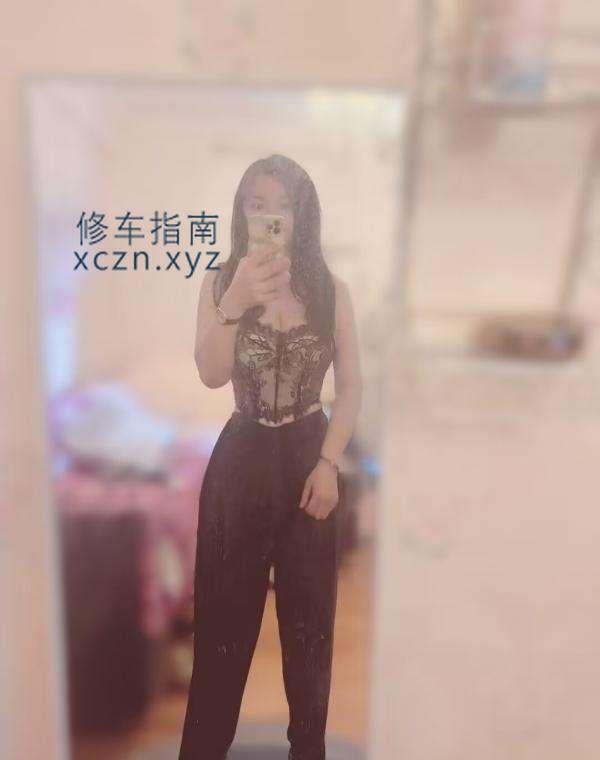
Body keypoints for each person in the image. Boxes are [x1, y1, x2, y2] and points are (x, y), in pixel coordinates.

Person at [178, 154, 362, 760]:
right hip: (241, 461)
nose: (269, 216)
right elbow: (211, 374)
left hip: (310, 458)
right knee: (222, 632)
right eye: (256, 204)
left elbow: (351, 385)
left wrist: (330, 463)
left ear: (302, 215)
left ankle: (308, 750)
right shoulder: (219, 282)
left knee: (310, 633)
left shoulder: (331, 291)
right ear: (242, 213)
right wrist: (235, 300)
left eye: (281, 205)